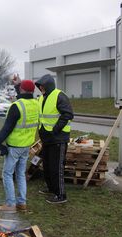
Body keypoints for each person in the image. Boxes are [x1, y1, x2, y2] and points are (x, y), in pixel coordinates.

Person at [0, 80, 39, 213]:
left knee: (7, 173)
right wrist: (19, 83)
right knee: (20, 174)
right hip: (27, 145)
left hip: (14, 146)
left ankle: (10, 204)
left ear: (21, 90)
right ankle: (22, 203)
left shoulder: (16, 106)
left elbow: (7, 128)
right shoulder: (36, 104)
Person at [35, 74, 73, 204]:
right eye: (39, 87)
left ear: (48, 85)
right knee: (48, 165)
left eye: (42, 86)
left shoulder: (60, 96)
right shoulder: (41, 98)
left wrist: (55, 129)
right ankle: (51, 188)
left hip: (58, 139)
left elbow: (68, 114)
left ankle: (61, 195)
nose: (40, 88)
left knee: (57, 167)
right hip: (47, 139)